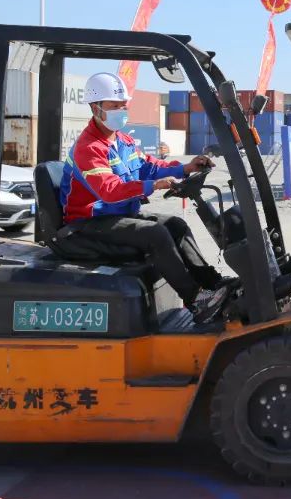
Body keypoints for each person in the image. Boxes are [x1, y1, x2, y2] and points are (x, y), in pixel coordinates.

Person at [60, 72, 230, 323]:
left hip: (117, 213)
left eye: (123, 105)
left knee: (176, 225)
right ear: (96, 108)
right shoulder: (89, 148)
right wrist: (154, 185)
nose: (121, 110)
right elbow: (109, 190)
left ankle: (213, 284)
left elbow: (148, 166)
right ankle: (196, 300)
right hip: (88, 222)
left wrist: (185, 168)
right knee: (155, 234)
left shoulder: (122, 141)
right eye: (114, 106)